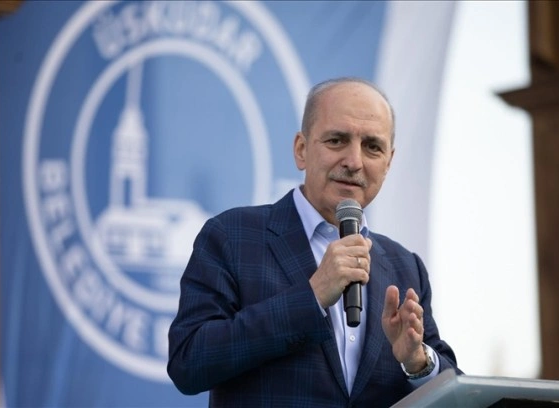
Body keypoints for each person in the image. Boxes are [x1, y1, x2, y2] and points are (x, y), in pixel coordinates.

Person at [167, 77, 461, 407]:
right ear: (301, 150)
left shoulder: (405, 266)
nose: (354, 161)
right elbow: (188, 362)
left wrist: (417, 362)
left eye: (372, 147)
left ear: (388, 163)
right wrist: (312, 296)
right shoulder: (232, 236)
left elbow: (458, 391)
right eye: (337, 140)